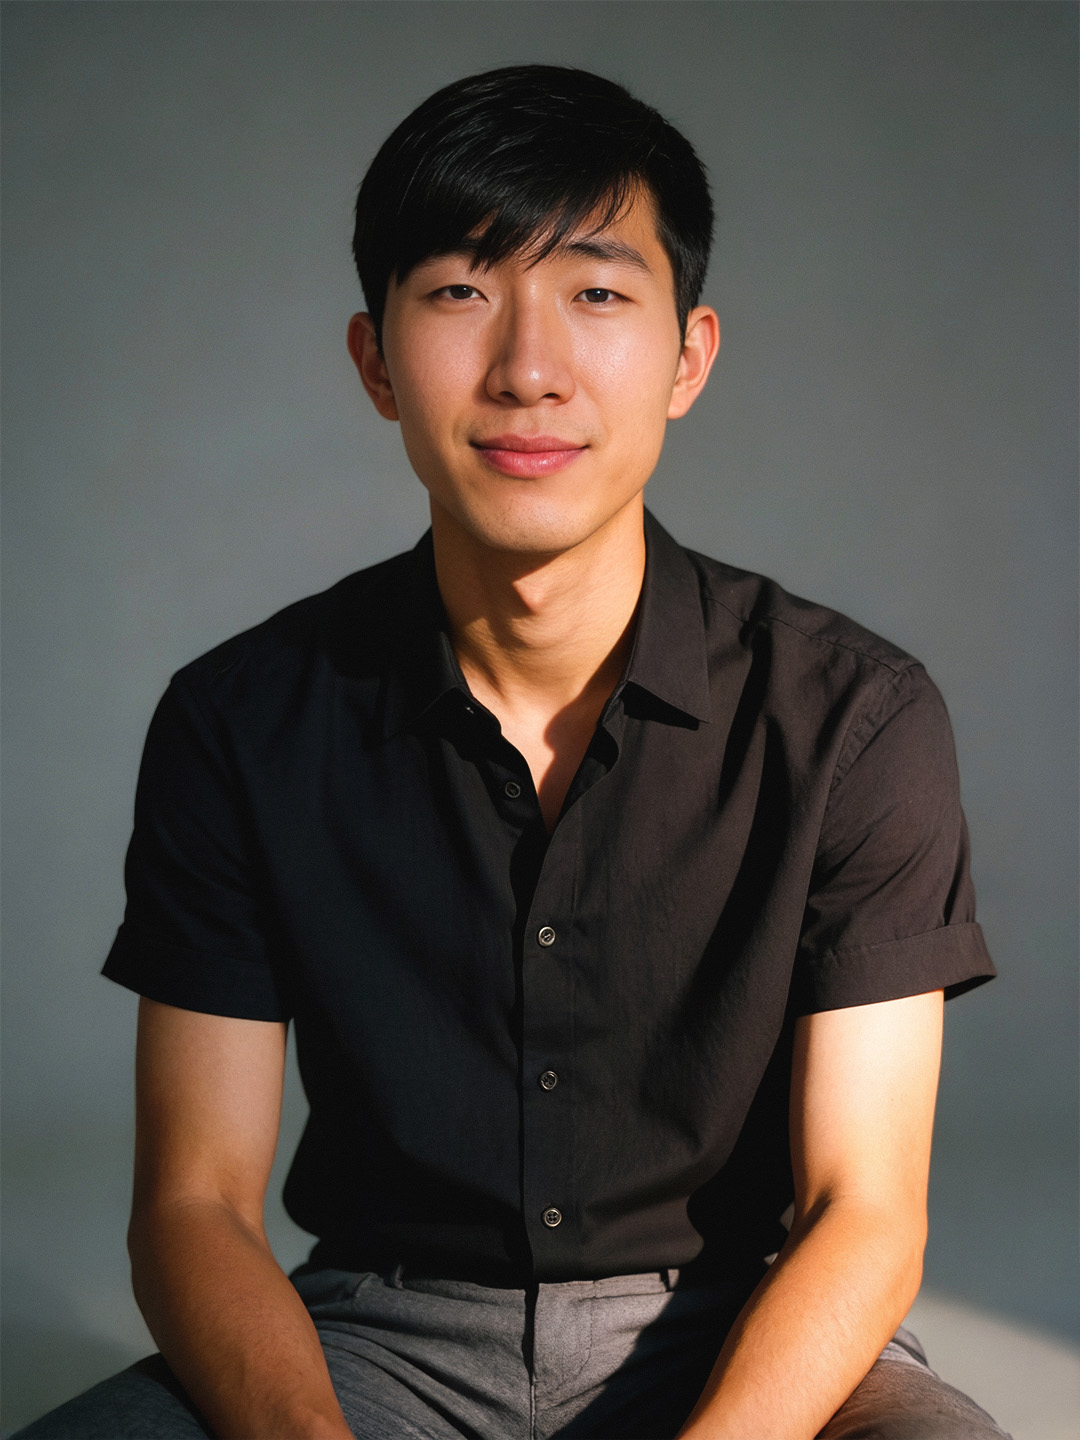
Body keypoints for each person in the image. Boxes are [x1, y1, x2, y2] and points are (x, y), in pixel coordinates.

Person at [18, 65, 1008, 1440]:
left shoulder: (855, 717)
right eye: (461, 292)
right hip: (373, 1337)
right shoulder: (242, 719)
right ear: (374, 359)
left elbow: (865, 1210)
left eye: (598, 294)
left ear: (688, 357)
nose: (528, 367)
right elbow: (191, 1205)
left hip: (730, 1331)